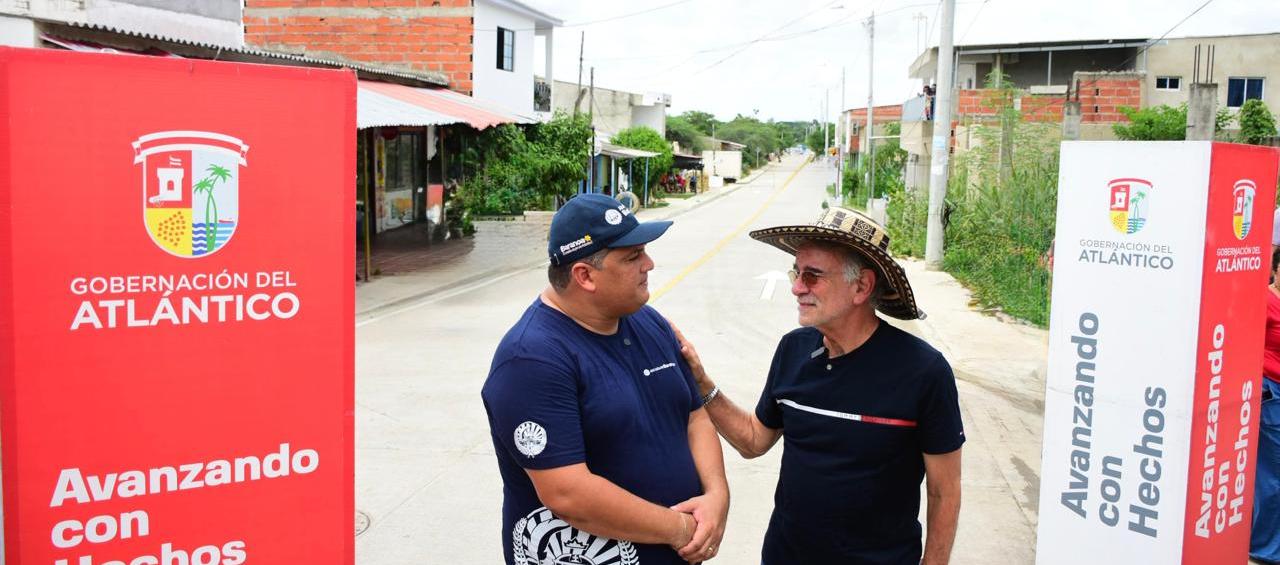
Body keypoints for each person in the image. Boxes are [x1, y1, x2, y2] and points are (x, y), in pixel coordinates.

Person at [675, 207, 964, 564]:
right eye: (796, 273)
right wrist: (701, 382)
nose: (796, 288)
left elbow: (944, 491)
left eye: (812, 276)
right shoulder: (793, 349)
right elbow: (753, 440)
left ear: (861, 286)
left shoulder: (924, 371)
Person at [482, 193, 729, 565]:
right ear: (584, 275)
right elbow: (569, 495)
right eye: (632, 257)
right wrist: (679, 529)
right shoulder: (532, 359)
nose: (649, 264)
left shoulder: (649, 322)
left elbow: (694, 415)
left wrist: (716, 497)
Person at [1254, 247, 1280, 563]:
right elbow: (1247, 341)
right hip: (1271, 393)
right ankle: (1265, 547)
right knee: (1273, 472)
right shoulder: (1266, 301)